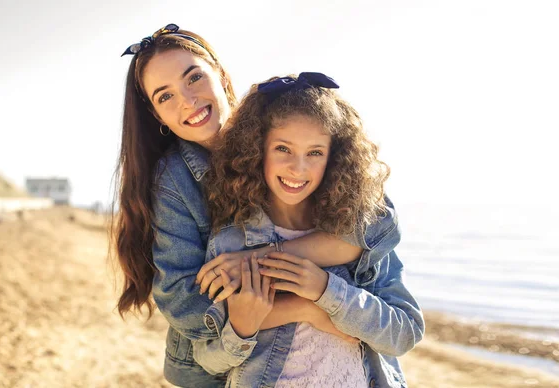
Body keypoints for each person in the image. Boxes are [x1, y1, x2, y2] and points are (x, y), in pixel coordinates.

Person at [113, 24, 402, 388]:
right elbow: (186, 304)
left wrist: (257, 260)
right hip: (216, 370)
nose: (187, 100)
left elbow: (376, 229)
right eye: (165, 97)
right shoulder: (174, 179)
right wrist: (303, 307)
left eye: (194, 78)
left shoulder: (280, 129)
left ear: (221, 74)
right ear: (157, 115)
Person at [192, 73, 424, 388]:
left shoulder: (355, 233)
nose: (298, 168)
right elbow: (206, 358)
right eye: (283, 149)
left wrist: (325, 290)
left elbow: (405, 333)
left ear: (335, 157)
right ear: (257, 149)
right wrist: (243, 330)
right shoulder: (232, 243)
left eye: (314, 152)